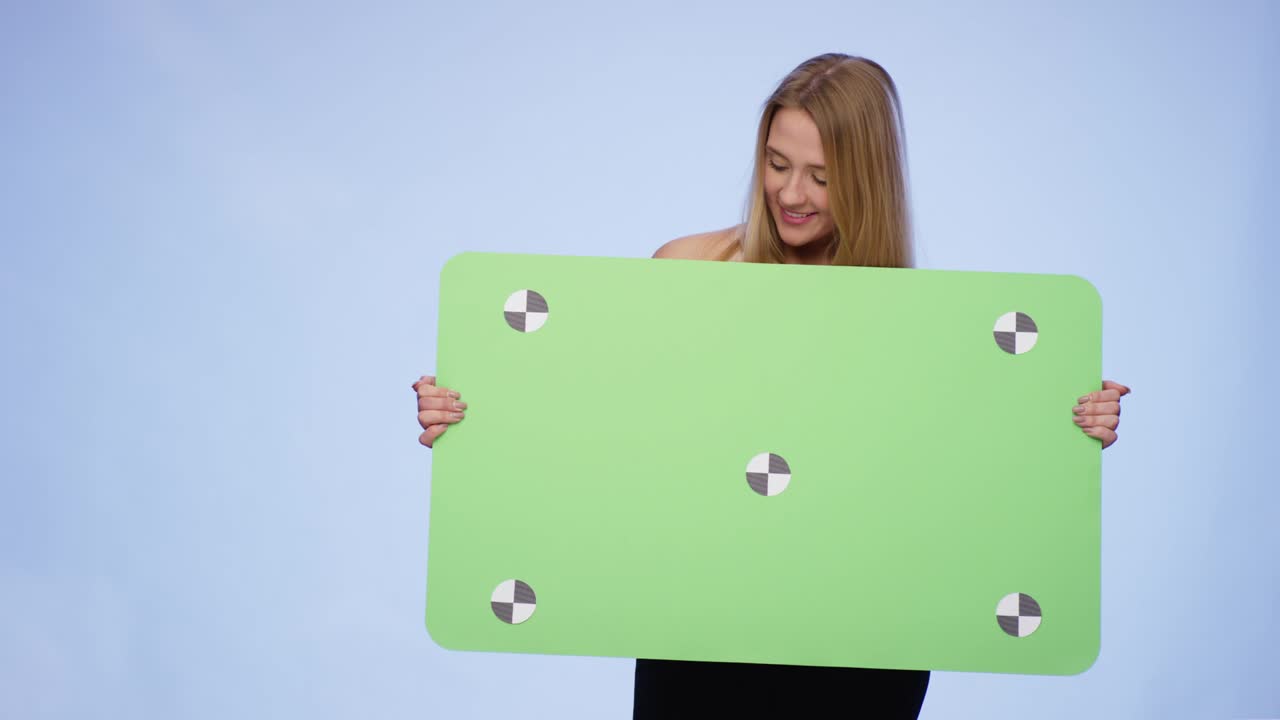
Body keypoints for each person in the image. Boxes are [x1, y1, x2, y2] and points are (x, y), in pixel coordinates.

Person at [413, 53, 1130, 719]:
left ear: (868, 178)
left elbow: (968, 474)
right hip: (698, 631)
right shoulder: (688, 271)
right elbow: (600, 425)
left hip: (865, 642)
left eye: (821, 176)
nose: (791, 194)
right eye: (777, 163)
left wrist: (1067, 419)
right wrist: (479, 411)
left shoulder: (925, 326)